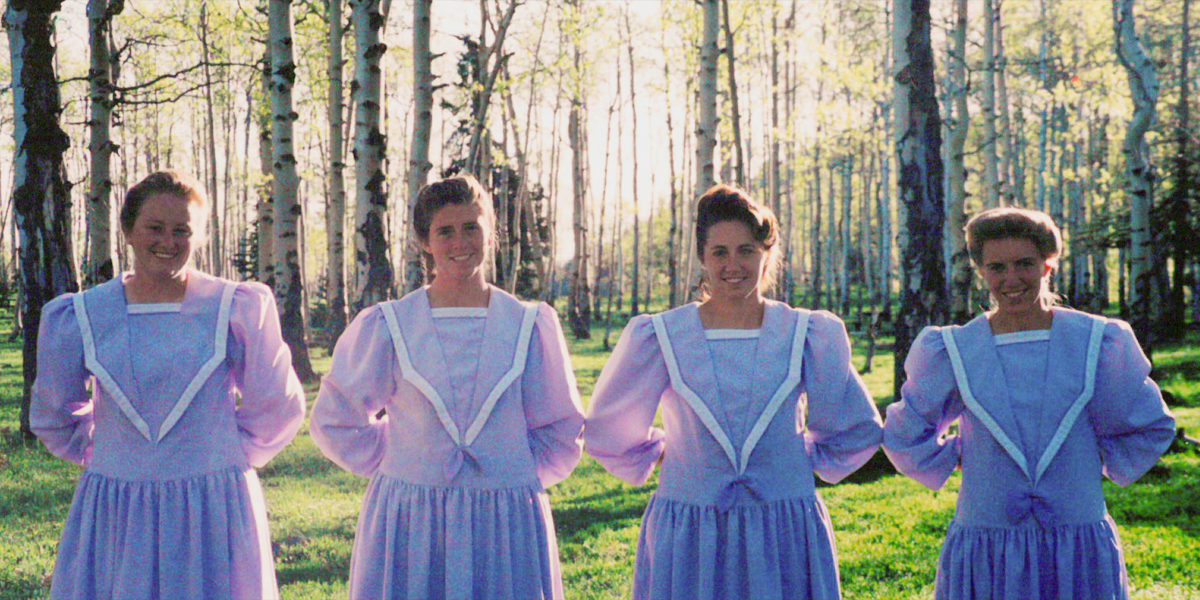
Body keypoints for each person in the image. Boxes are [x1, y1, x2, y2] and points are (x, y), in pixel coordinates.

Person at [584, 184, 883, 600]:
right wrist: (664, 448)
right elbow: (608, 429)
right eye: (719, 252)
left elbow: (854, 428)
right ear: (702, 258)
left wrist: (795, 458)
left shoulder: (805, 333)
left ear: (766, 254)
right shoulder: (663, 335)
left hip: (784, 527)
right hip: (693, 530)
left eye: (746, 250)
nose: (733, 265)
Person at [31, 170, 306, 599]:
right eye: (154, 228)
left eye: (182, 230)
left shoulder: (234, 307)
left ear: (198, 237)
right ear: (127, 230)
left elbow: (276, 404)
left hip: (212, 503)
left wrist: (220, 453)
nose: (168, 241)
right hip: (117, 505)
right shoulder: (83, 314)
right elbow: (54, 414)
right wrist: (111, 452)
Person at [311, 173, 584, 600]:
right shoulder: (390, 325)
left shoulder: (529, 325)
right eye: (445, 231)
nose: (461, 242)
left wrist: (511, 470)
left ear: (491, 234)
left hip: (506, 517)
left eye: (471, 227)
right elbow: (335, 419)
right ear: (425, 241)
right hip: (412, 520)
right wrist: (404, 456)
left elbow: (562, 427)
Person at [883, 206, 1176, 600]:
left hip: (1077, 540)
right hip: (987, 539)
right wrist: (959, 453)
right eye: (997, 267)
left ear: (1048, 265)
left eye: (1025, 264)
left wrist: (1092, 460)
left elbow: (1149, 424)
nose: (1011, 279)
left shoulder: (1095, 342)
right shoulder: (954, 349)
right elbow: (905, 433)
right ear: (981, 271)